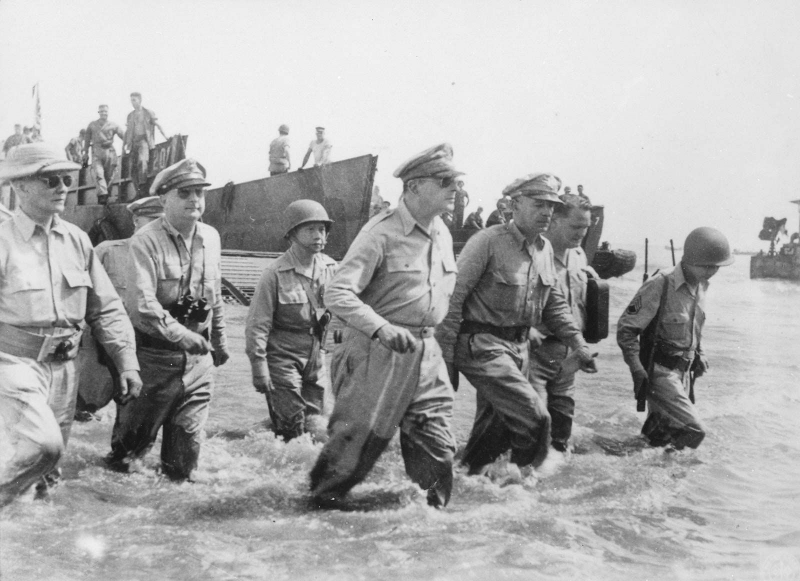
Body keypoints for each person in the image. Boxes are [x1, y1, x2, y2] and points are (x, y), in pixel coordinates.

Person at [309, 143, 462, 509]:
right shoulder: (381, 233)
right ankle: (313, 516)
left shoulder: (441, 232)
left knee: (438, 445)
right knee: (353, 454)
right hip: (377, 351)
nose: (454, 189)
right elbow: (337, 293)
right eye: (445, 182)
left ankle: (432, 524)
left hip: (426, 354)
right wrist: (380, 328)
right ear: (414, 186)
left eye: (455, 181)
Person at [0, 143, 141, 507]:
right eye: (50, 180)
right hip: (13, 365)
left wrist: (126, 361)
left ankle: (30, 533)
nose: (63, 187)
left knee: (50, 471)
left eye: (66, 179)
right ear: (19, 186)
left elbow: (105, 308)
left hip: (65, 368)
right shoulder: (3, 241)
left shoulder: (77, 240)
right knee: (43, 446)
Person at [436, 173, 597, 479]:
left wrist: (579, 345)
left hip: (519, 350)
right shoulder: (487, 242)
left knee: (492, 435)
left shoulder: (544, 249)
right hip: (482, 346)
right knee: (537, 418)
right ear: (514, 205)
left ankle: (464, 484)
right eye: (538, 204)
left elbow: (554, 306)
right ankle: (522, 487)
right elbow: (452, 298)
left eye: (551, 205)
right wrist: (446, 358)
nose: (547, 212)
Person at [106, 158, 230, 481]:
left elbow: (215, 294)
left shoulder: (212, 238)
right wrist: (181, 334)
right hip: (153, 361)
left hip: (198, 365)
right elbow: (142, 305)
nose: (194, 200)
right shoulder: (146, 240)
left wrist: (219, 340)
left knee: (183, 467)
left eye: (199, 193)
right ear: (164, 200)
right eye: (184, 193)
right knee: (127, 460)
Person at [617, 227, 733, 450]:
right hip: (660, 373)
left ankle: (630, 464)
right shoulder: (660, 283)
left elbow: (693, 327)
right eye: (707, 266)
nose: (712, 272)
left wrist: (699, 353)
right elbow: (626, 329)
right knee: (694, 431)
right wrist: (636, 368)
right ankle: (667, 468)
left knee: (658, 440)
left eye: (716, 267)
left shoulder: (701, 285)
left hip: (683, 373)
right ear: (690, 260)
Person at [245, 200, 337, 441]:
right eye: (310, 229)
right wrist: (259, 366)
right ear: (292, 234)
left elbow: (344, 313)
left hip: (316, 357)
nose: (318, 236)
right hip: (282, 359)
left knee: (316, 424)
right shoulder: (274, 274)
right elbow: (257, 325)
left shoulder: (331, 269)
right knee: (292, 428)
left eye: (322, 229)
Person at [74, 196, 164, 421]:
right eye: (152, 221)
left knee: (135, 411)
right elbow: (78, 296)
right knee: (87, 406)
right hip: (102, 344)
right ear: (136, 221)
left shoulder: (167, 260)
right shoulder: (107, 251)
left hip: (145, 347)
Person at [528, 192, 597, 453]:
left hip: (568, 356)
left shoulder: (579, 255)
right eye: (576, 226)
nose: (581, 233)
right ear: (554, 220)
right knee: (533, 425)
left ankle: (554, 472)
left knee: (561, 428)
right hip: (535, 353)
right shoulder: (533, 255)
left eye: (585, 227)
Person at [124, 92, 168, 195]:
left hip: (144, 141)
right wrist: (124, 146)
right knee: (132, 168)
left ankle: (143, 186)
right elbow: (127, 131)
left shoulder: (148, 113)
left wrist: (166, 137)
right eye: (131, 100)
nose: (132, 103)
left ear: (140, 100)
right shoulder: (130, 115)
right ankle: (138, 191)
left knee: (142, 161)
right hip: (133, 143)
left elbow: (157, 125)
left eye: (134, 100)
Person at [84, 105, 125, 205]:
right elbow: (87, 140)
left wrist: (127, 146)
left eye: (105, 111)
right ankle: (102, 195)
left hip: (110, 152)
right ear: (98, 112)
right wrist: (85, 153)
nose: (104, 113)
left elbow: (124, 136)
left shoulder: (113, 125)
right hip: (97, 151)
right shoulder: (92, 125)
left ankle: (105, 196)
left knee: (109, 176)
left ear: (108, 112)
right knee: (99, 173)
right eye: (101, 111)